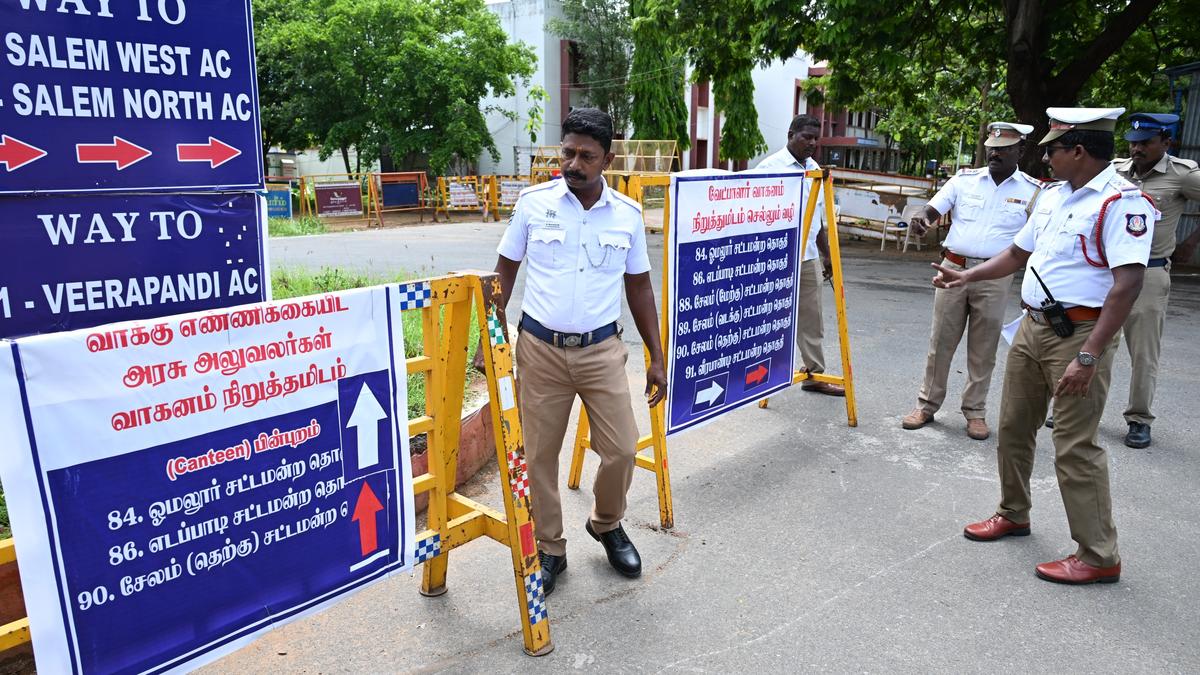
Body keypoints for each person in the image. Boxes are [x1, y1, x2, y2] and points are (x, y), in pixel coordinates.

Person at [935, 107, 1157, 585]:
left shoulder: (1121, 203)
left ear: (1077, 150)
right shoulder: (1055, 196)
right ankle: (1013, 512)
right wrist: (966, 275)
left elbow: (1127, 286)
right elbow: (1018, 253)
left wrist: (1090, 355)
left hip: (1080, 335)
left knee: (1074, 446)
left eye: (1052, 148)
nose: (1045, 157)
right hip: (1033, 327)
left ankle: (1099, 555)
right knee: (1014, 428)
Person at [492, 108, 667, 596]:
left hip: (601, 351)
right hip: (539, 351)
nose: (573, 163)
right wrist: (495, 337)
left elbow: (639, 289)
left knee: (623, 450)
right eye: (567, 152)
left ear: (606, 160)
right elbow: (503, 272)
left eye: (586, 156)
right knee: (539, 457)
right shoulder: (533, 205)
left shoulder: (627, 216)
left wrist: (657, 354)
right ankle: (550, 548)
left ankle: (606, 523)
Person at [901, 122, 1042, 440]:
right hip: (953, 268)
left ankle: (975, 413)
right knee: (940, 343)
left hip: (996, 276)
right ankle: (926, 405)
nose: (995, 153)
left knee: (984, 348)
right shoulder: (964, 180)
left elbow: (1037, 244)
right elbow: (932, 209)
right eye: (992, 147)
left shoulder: (1033, 191)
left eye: (1004, 148)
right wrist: (923, 220)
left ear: (1020, 150)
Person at [1111, 113, 1200, 448]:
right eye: (1133, 142)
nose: (1137, 148)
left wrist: (1191, 241)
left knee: (1143, 352)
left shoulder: (1182, 175)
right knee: (1092, 341)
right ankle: (1080, 406)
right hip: (1108, 271)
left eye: (1145, 142)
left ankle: (1139, 419)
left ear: (1166, 142)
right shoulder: (1116, 171)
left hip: (1149, 273)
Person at [755, 113, 845, 396]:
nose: (812, 143)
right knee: (770, 319)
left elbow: (816, 218)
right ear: (791, 134)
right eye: (806, 137)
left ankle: (814, 374)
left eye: (816, 138)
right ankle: (758, 375)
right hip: (776, 259)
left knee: (811, 319)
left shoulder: (815, 169)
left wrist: (826, 255)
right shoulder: (769, 168)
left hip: (807, 258)